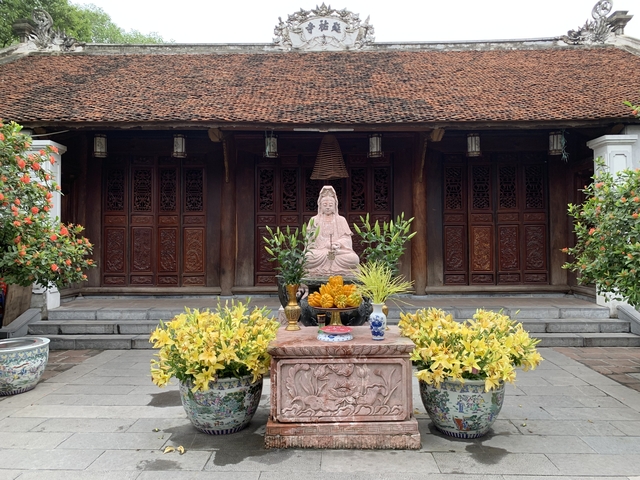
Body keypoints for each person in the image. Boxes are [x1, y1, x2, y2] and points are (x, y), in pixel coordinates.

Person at [306, 185, 360, 276]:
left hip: (337, 252)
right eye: (325, 205)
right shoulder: (314, 220)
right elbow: (309, 242)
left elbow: (347, 239)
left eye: (330, 205)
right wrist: (324, 245)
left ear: (335, 206)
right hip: (320, 252)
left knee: (354, 259)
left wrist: (338, 244)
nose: (327, 207)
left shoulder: (341, 220)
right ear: (320, 206)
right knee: (307, 258)